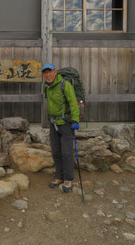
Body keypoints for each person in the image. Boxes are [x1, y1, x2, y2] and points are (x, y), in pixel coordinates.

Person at [42, 63, 80, 192]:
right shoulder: (46, 87)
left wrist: (75, 120)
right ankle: (59, 176)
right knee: (56, 152)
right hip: (53, 124)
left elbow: (73, 103)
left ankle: (68, 178)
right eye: (45, 73)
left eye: (50, 72)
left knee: (66, 153)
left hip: (66, 124)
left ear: (55, 72)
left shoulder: (65, 85)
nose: (47, 75)